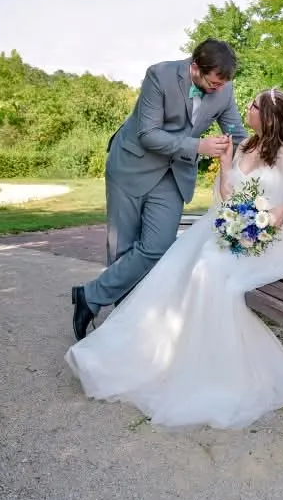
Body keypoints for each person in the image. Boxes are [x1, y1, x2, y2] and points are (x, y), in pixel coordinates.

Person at [65, 88, 283, 429]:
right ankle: (160, 356)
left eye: (254, 105)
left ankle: (206, 372)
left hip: (268, 243)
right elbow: (228, 195)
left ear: (268, 116)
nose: (247, 108)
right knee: (178, 262)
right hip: (232, 231)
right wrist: (226, 163)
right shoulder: (247, 145)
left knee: (206, 269)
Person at [71, 38, 247, 341]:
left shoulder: (224, 89)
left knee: (158, 245)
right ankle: (125, 325)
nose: (218, 89)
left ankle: (90, 295)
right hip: (132, 165)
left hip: (174, 173)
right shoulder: (159, 75)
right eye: (213, 83)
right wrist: (199, 146)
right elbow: (148, 134)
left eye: (223, 85)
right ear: (195, 67)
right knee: (123, 247)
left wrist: (271, 150)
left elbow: (236, 133)